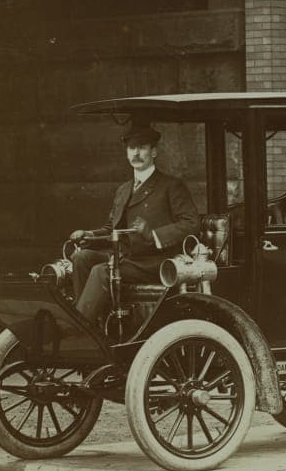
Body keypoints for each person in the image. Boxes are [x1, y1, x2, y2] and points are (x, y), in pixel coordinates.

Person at [69, 122, 198, 326]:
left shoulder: (171, 186)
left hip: (155, 262)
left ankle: (79, 327)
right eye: (131, 148)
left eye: (142, 147)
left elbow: (191, 223)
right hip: (127, 259)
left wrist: (153, 234)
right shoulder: (123, 189)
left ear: (154, 152)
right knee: (81, 258)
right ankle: (95, 324)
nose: (136, 153)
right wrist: (89, 234)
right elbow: (112, 229)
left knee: (101, 271)